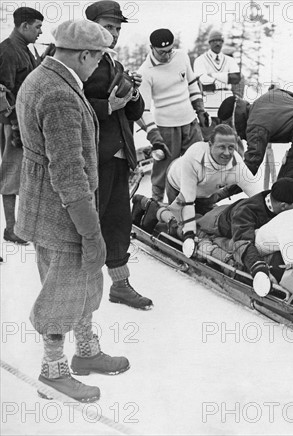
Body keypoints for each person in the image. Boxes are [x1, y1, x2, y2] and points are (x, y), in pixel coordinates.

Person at [15, 19, 130, 403]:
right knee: (61, 292)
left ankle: (86, 352)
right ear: (84, 54)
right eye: (98, 58)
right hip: (61, 212)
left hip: (48, 205)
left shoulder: (42, 77)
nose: (99, 66)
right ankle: (53, 371)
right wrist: (91, 231)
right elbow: (68, 171)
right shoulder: (60, 94)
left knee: (84, 283)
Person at [84, 1, 153, 310]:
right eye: (106, 27)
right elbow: (66, 106)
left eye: (116, 28)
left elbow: (134, 111)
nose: (112, 33)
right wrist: (107, 106)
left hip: (118, 154)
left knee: (118, 221)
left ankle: (120, 285)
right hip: (92, 155)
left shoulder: (113, 63)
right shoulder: (80, 61)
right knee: (88, 222)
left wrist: (134, 92)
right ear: (91, 26)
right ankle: (81, 285)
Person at [132, 124, 262, 254]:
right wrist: (189, 235)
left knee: (204, 224)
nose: (227, 153)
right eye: (221, 147)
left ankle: (159, 210)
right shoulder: (195, 156)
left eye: (231, 148)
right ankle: (151, 207)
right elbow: (187, 201)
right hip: (179, 186)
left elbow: (257, 194)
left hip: (206, 191)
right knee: (178, 226)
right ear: (210, 145)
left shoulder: (237, 165)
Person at [195, 177, 293, 295]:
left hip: (232, 212)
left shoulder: (275, 203)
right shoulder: (246, 212)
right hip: (215, 222)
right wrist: (259, 268)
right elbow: (242, 243)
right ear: (283, 206)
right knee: (223, 241)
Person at [136, 28, 208, 201]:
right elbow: (144, 110)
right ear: (151, 48)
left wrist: (200, 109)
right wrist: (155, 137)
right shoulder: (145, 72)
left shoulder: (181, 56)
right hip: (166, 129)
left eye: (170, 51)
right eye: (162, 53)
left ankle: (201, 203)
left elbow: (191, 84)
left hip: (190, 123)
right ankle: (157, 205)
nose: (167, 56)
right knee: (163, 170)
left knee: (200, 163)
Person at [0, 7, 44, 246]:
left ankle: (21, 226)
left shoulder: (25, 50)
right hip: (13, 124)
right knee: (12, 173)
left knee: (25, 175)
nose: (40, 31)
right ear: (24, 25)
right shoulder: (8, 51)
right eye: (37, 26)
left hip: (25, 121)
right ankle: (10, 228)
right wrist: (14, 123)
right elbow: (2, 91)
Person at [193, 29, 243, 132]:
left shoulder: (230, 60)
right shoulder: (200, 60)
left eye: (220, 40)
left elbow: (236, 78)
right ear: (209, 42)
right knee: (209, 137)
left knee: (229, 136)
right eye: (214, 40)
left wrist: (212, 75)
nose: (217, 43)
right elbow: (204, 82)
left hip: (227, 104)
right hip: (209, 105)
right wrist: (226, 81)